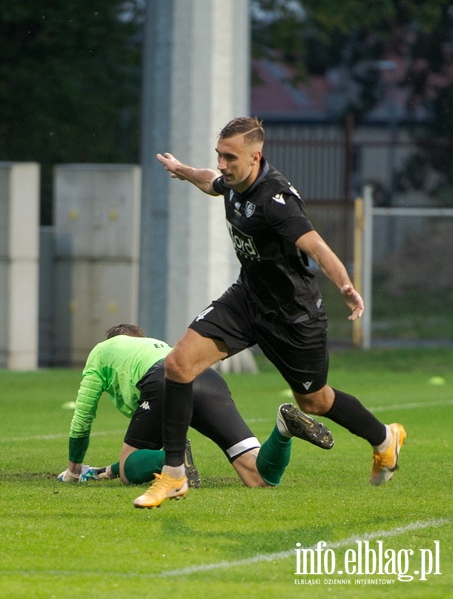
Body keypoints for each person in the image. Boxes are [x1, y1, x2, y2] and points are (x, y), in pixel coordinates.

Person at [136, 116, 406, 509]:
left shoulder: (276, 201)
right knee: (178, 366)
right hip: (247, 300)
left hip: (293, 315)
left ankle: (384, 438)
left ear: (255, 157)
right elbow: (211, 181)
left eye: (231, 157)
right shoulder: (231, 182)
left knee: (315, 401)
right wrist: (182, 170)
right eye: (220, 155)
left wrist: (346, 286)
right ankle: (174, 475)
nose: (223, 164)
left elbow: (317, 247)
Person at [58, 324, 334, 489]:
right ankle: (283, 430)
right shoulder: (156, 345)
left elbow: (83, 416)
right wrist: (104, 471)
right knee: (258, 477)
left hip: (164, 380)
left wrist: (74, 470)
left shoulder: (101, 351)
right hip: (209, 378)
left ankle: (175, 461)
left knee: (131, 467)